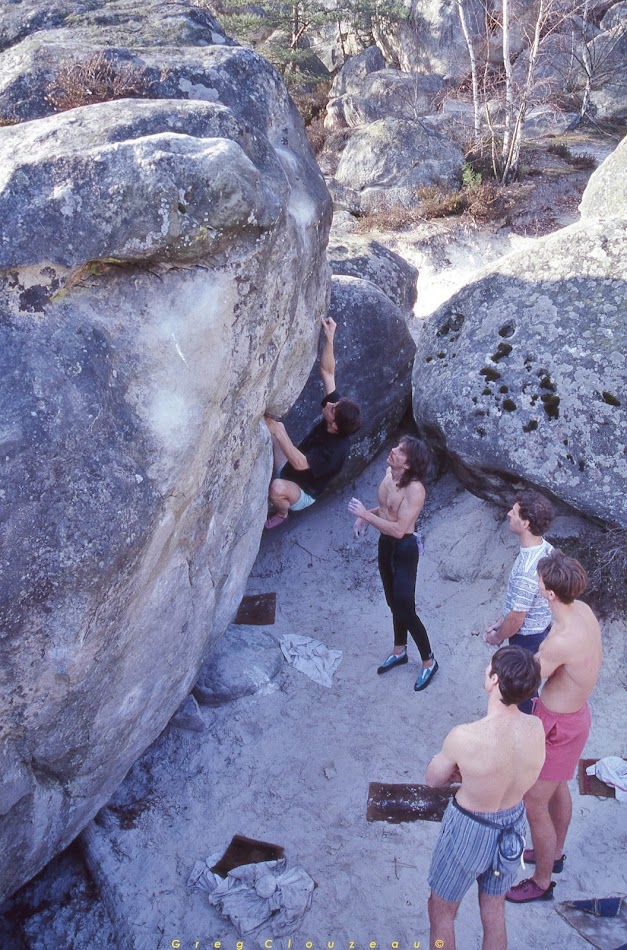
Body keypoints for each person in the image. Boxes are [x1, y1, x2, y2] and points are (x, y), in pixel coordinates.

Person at [426, 646, 545, 950]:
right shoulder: (536, 728)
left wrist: (465, 773)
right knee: (493, 910)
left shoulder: (465, 736)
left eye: (489, 668)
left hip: (470, 826)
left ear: (494, 680)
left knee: (441, 912)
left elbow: (433, 780)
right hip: (512, 825)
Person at [506, 550, 602, 904]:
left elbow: (527, 679)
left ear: (548, 594)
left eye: (540, 581)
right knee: (558, 787)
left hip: (558, 726)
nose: (537, 582)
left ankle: (542, 881)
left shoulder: (560, 640)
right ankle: (555, 854)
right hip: (575, 718)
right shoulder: (583, 611)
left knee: (534, 802)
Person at [347, 437, 437, 690]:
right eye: (396, 447)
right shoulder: (389, 474)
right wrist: (366, 518)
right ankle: (400, 650)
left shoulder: (415, 490)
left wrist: (364, 514)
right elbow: (385, 509)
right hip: (385, 545)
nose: (393, 451)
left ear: (409, 464)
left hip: (404, 548)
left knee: (405, 607)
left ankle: (429, 661)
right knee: (391, 601)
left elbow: (399, 529)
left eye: (400, 451)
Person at [264, 316, 361, 530]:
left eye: (332, 409)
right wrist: (330, 337)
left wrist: (280, 432)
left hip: (303, 489)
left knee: (277, 487)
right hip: (290, 467)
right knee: (271, 430)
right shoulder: (338, 415)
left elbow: (300, 464)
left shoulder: (334, 451)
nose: (329, 405)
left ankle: (281, 512)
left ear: (335, 426)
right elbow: (328, 372)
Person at [484, 491, 555, 711]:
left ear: (525, 523)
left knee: (521, 690)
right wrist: (501, 620)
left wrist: (498, 635)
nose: (508, 514)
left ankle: (526, 730)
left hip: (526, 638)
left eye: (513, 512)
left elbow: (517, 618)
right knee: (529, 684)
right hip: (543, 627)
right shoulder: (546, 548)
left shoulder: (527, 570)